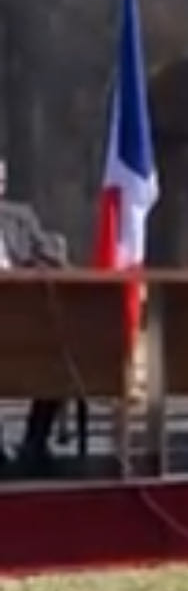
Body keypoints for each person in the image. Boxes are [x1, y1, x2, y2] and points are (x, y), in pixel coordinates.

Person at [0, 198, 66, 470]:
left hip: (24, 318)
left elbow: (52, 256)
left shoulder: (20, 216)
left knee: (60, 360)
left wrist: (31, 266)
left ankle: (35, 441)